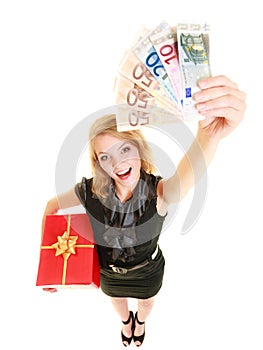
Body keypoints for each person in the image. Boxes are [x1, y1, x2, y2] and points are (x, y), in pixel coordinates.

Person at [42, 75, 246, 347]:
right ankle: (127, 322)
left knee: (147, 302)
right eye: (105, 156)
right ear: (99, 163)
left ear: (138, 148)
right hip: (109, 273)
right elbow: (51, 207)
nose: (117, 162)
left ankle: (141, 321)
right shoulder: (90, 191)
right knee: (117, 302)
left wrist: (207, 136)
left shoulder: (159, 192)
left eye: (124, 148)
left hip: (147, 271)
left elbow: (184, 180)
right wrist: (51, 266)